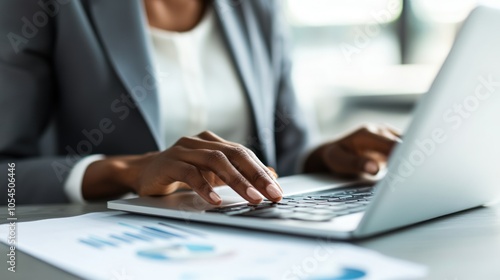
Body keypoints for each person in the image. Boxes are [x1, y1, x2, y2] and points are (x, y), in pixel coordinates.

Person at [0, 0, 400, 205]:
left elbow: (287, 157)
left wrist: (330, 157)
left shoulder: (258, 8)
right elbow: (7, 176)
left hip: (249, 244)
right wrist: (124, 172)